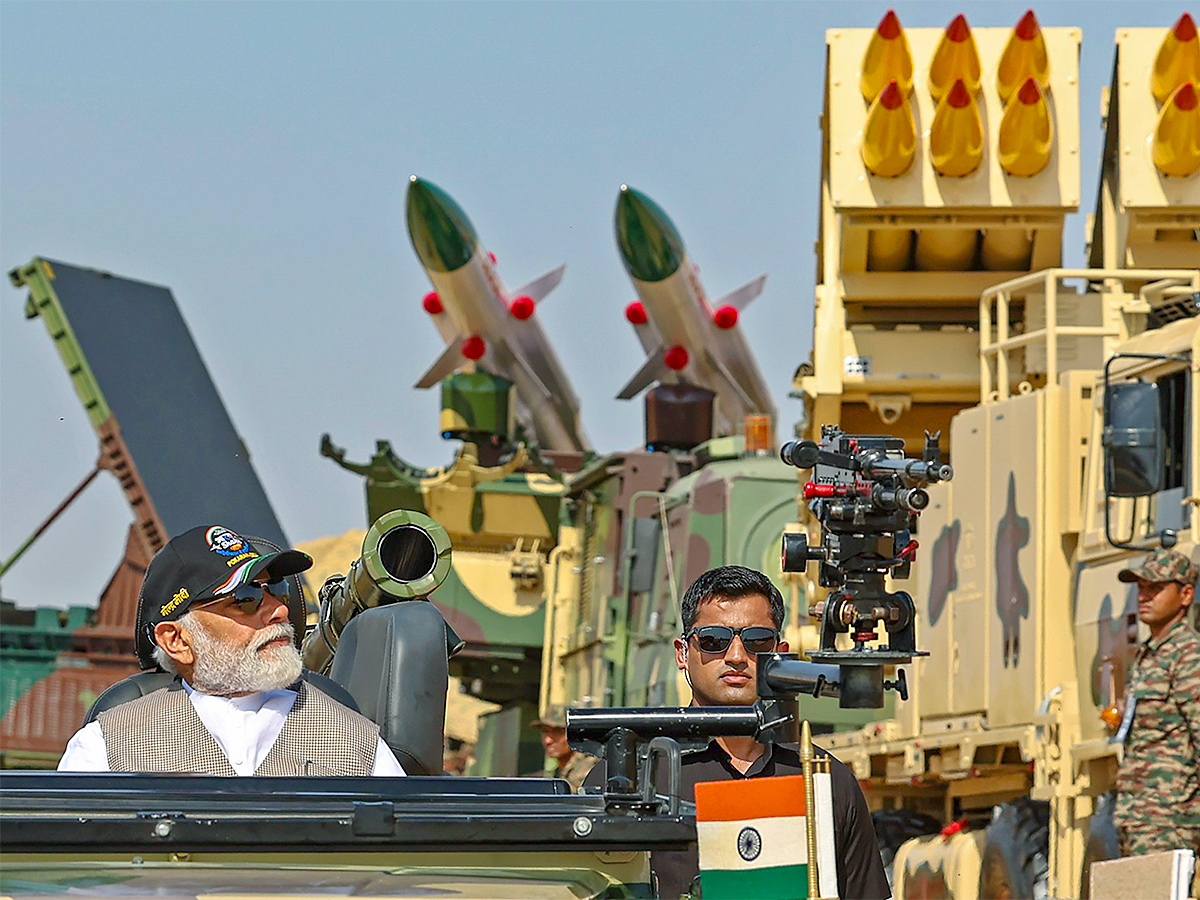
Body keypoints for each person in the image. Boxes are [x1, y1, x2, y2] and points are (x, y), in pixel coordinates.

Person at [586, 565, 890, 899]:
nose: (736, 657)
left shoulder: (824, 779)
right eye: (713, 640)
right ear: (683, 653)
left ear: (780, 653)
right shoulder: (626, 777)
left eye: (757, 641)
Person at [58, 524, 406, 776]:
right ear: (176, 641)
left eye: (277, 590)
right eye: (247, 599)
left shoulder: (358, 742)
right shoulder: (106, 747)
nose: (280, 611)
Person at [1112, 548, 1200, 861]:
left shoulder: (1188, 655)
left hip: (1171, 817)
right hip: (1139, 815)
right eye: (1141, 588)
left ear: (1185, 594)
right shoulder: (1151, 654)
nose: (1144, 597)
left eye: (1156, 588)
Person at [532, 704, 597, 791]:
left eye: (558, 732)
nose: (548, 740)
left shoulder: (588, 770)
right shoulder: (559, 771)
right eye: (545, 731)